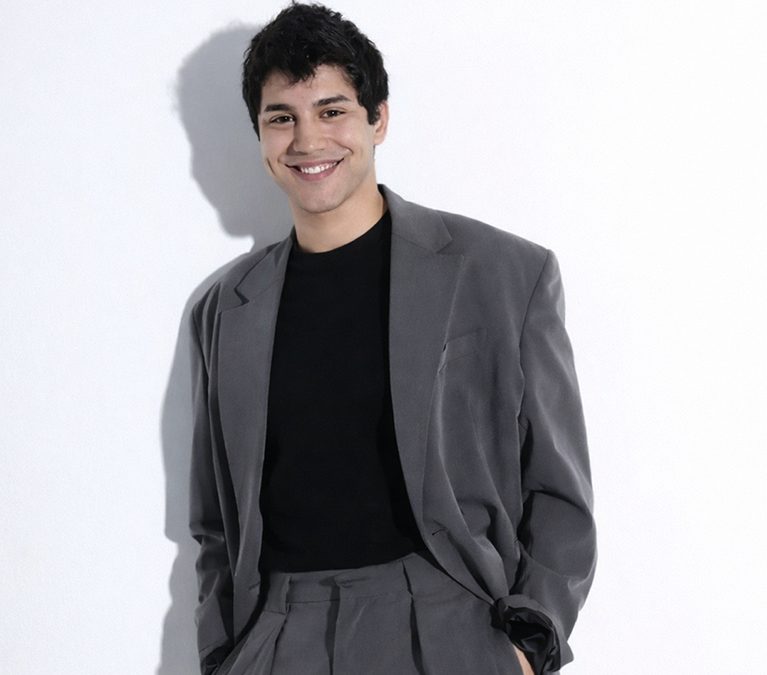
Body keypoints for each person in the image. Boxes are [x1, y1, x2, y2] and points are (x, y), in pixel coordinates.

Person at [188, 4, 595, 674]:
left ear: (378, 118)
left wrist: (528, 646)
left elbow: (558, 490)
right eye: (281, 118)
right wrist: (224, 653)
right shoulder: (226, 308)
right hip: (279, 633)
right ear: (259, 136)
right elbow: (214, 522)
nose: (307, 139)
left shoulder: (502, 273)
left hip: (447, 620)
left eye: (332, 110)